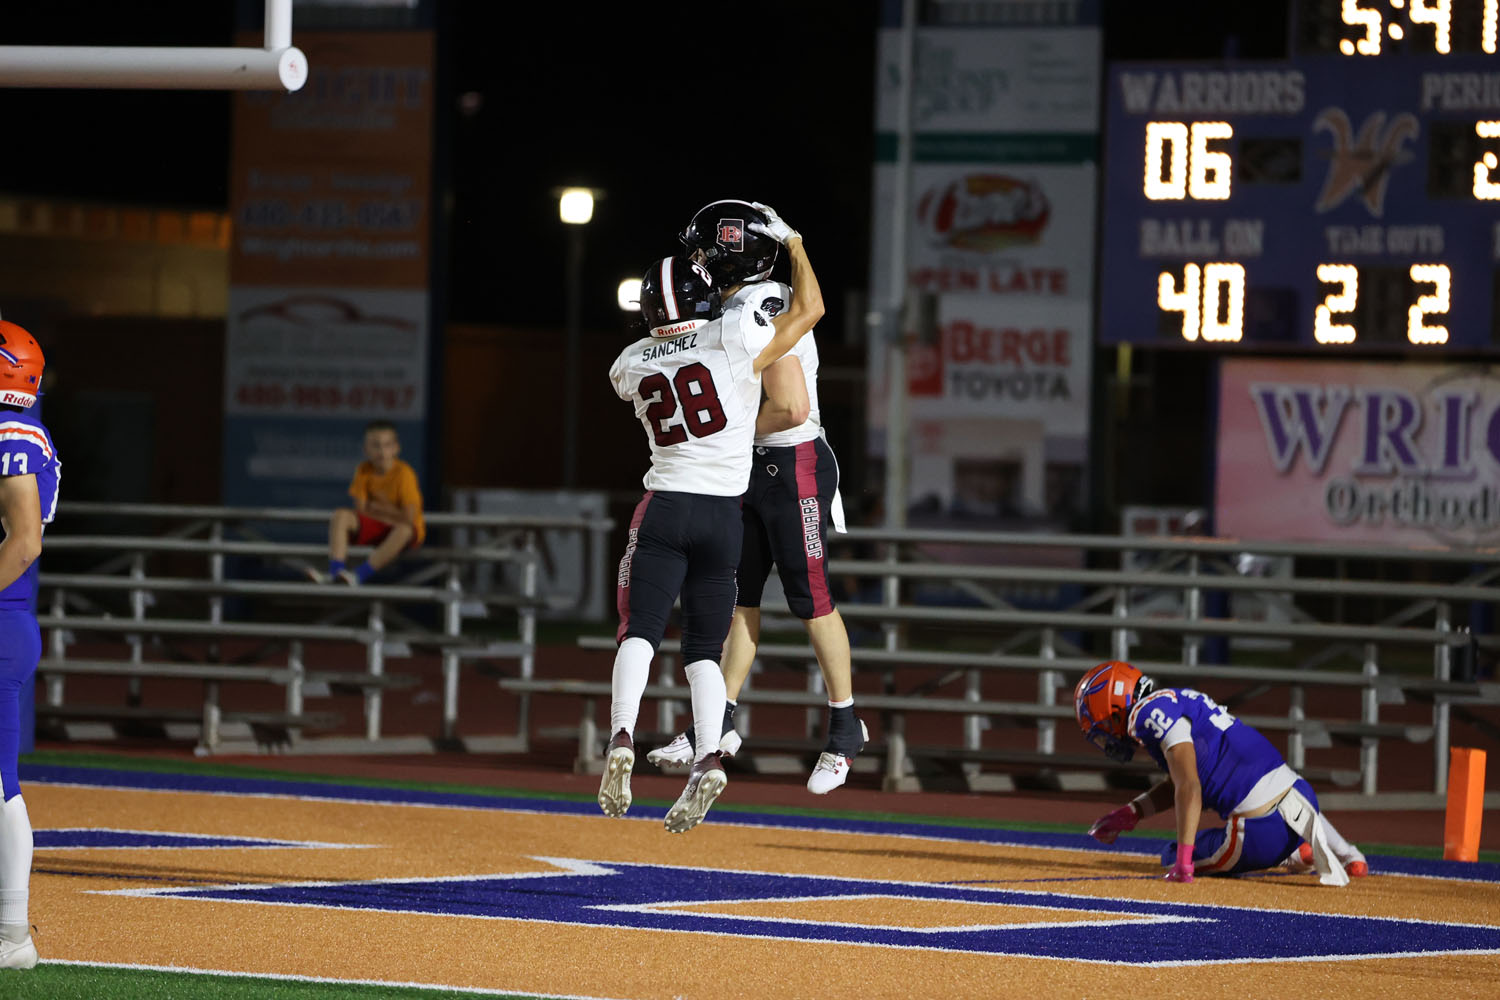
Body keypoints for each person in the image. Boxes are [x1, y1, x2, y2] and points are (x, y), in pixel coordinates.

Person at [604, 208, 824, 834]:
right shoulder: (732, 338)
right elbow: (807, 312)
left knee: (638, 631)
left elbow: (642, 368)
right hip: (723, 517)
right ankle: (707, 757)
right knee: (704, 650)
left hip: (666, 505)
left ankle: (621, 736)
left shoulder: (630, 362)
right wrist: (794, 243)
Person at [648, 199, 866, 795]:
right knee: (738, 598)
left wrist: (723, 428)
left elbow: (791, 406)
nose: (696, 261)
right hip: (750, 467)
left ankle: (846, 728)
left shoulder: (758, 302)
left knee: (809, 596)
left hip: (790, 463)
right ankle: (716, 724)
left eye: (703, 250)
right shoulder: (729, 305)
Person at [1074, 660, 1368, 884]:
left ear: (1114, 706)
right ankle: (1341, 853)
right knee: (1273, 789)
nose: (1106, 739)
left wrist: (1183, 863)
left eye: (1102, 730)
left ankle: (1289, 853)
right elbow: (1186, 776)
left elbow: (1189, 786)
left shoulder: (1145, 714)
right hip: (1303, 796)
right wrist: (1134, 811)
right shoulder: (1177, 699)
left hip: (1259, 829)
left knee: (1169, 853)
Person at [0, 320, 56, 970]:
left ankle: (13, 935)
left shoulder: (13, 436)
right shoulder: (23, 429)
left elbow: (23, 542)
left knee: (1, 784)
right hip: (11, 620)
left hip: (3, 618)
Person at [309, 420, 425, 585]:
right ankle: (335, 573)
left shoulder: (405, 473)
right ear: (366, 450)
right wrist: (389, 512)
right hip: (377, 526)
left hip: (401, 533)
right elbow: (361, 509)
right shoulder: (363, 470)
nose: (382, 452)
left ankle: (358, 575)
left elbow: (408, 517)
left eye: (387, 445)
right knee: (341, 515)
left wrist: (377, 508)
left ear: (396, 448)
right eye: (376, 446)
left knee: (404, 530)